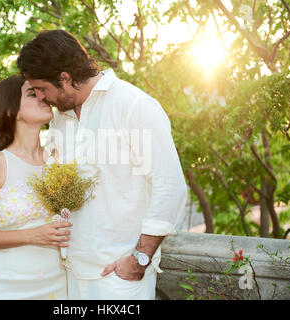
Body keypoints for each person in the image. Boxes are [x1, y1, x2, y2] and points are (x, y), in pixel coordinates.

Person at [16, 30, 188, 300]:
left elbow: (171, 186)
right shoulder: (61, 119)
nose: (39, 97)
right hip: (71, 274)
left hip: (119, 277)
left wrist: (139, 259)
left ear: (65, 78)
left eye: (42, 88)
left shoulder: (133, 105)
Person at [0, 74, 72, 300]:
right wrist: (33, 235)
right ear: (11, 111)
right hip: (6, 288)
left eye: (42, 91)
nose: (43, 96)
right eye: (32, 93)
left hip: (56, 286)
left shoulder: (59, 160)